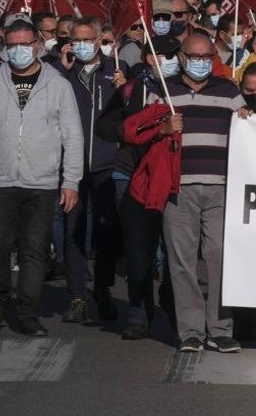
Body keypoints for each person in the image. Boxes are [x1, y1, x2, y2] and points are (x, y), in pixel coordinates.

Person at [0, 19, 84, 336]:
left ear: (37, 46)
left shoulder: (58, 85)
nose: (19, 51)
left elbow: (73, 136)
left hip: (42, 183)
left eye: (25, 44)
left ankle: (28, 311)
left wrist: (71, 181)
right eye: (12, 45)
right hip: (0, 180)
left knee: (34, 250)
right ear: (5, 48)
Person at [152, 32, 245, 353]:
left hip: (221, 189)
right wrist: (162, 128)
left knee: (221, 259)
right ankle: (190, 330)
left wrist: (247, 118)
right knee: (182, 262)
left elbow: (250, 134)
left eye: (207, 57)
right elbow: (143, 133)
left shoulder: (230, 91)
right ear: (181, 58)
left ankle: (220, 329)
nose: (201, 63)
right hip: (178, 189)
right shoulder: (164, 91)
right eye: (195, 57)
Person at [95, 36, 180, 341]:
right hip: (132, 177)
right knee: (138, 250)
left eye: (174, 55)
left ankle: (172, 301)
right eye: (162, 56)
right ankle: (139, 311)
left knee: (175, 250)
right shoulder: (132, 89)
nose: (169, 61)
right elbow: (106, 127)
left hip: (174, 181)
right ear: (148, 60)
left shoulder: (186, 90)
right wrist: (138, 129)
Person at [52, 16, 126, 324]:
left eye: (87, 39)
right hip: (72, 167)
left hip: (107, 166)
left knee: (107, 231)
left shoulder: (117, 72)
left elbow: (134, 113)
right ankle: (77, 295)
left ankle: (103, 290)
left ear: (99, 41)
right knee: (74, 232)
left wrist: (127, 88)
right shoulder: (61, 75)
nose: (81, 45)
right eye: (75, 40)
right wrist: (62, 71)